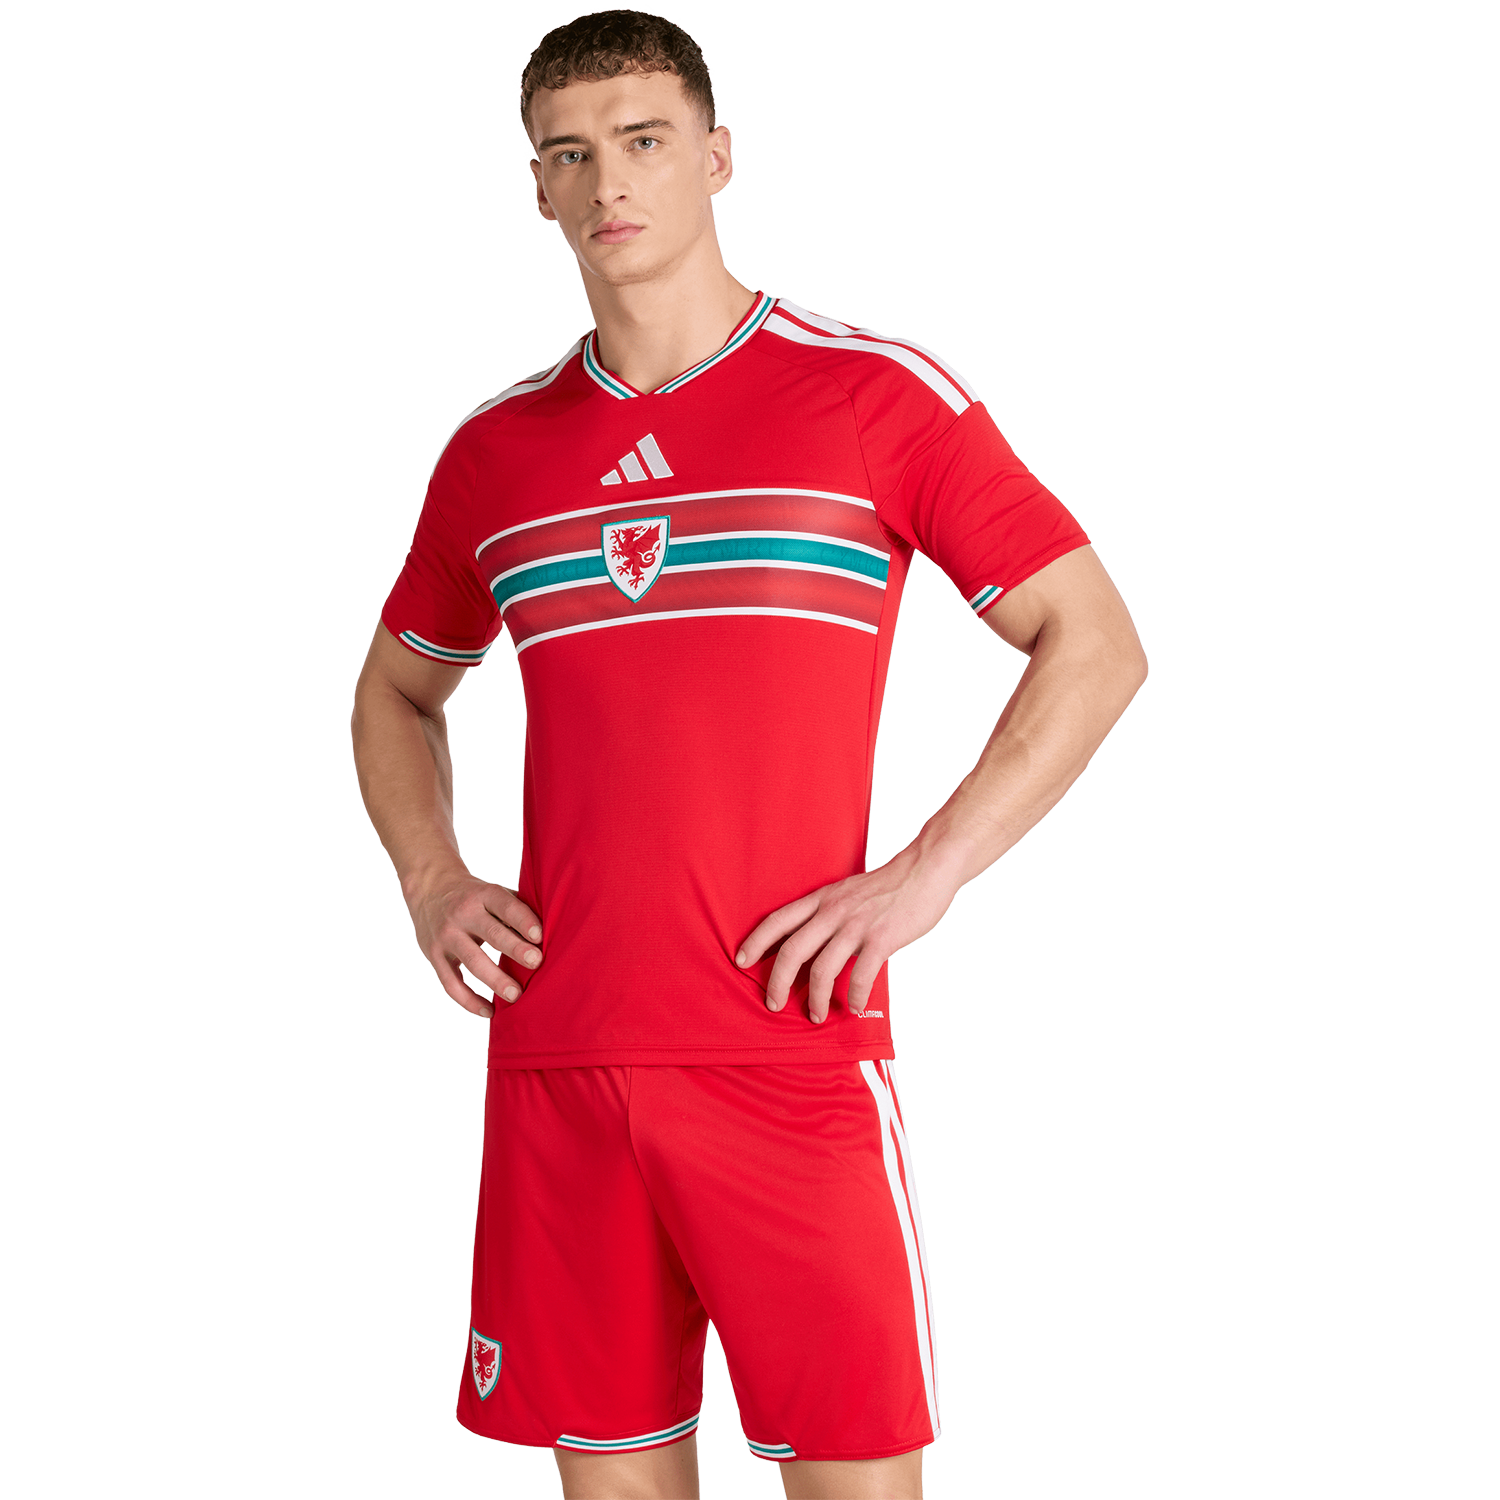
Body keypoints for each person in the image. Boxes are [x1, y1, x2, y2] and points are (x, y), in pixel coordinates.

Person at [351, 11, 1147, 1499]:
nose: (608, 181)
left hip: (790, 1045)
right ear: (537, 188)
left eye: (643, 140)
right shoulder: (494, 455)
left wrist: (925, 876)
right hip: (563, 1049)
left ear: (716, 157)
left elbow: (1092, 642)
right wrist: (430, 880)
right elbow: (396, 692)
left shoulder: (872, 398)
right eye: (568, 154)